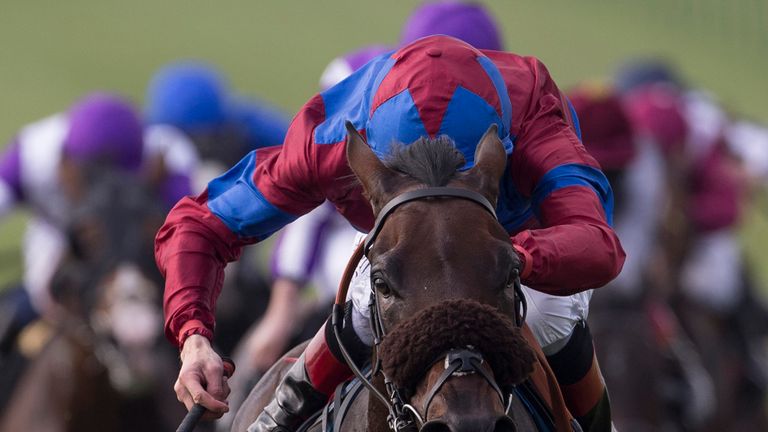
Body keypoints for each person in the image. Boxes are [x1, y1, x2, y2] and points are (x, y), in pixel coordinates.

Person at [157, 35, 625, 432]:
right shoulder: (331, 140)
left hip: (509, 246)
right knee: (365, 304)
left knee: (551, 319)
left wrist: (509, 257)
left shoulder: (533, 113)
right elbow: (199, 223)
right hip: (408, 251)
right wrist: (193, 336)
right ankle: (273, 420)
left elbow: (599, 245)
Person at [0, 92, 192, 340]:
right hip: (57, 239)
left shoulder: (169, 156)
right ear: (65, 165)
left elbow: (196, 240)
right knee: (25, 307)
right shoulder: (31, 155)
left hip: (141, 252)